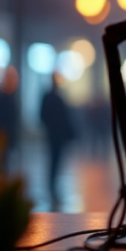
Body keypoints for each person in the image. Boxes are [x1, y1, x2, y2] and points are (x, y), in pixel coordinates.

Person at [40, 73, 77, 211]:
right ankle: (51, 184)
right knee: (54, 159)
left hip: (56, 134)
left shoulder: (53, 97)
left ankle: (53, 183)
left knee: (56, 159)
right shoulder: (52, 97)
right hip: (55, 134)